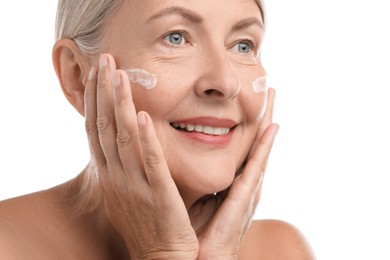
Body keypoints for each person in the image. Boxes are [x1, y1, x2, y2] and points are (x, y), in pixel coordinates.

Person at [0, 0, 315, 259]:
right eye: (175, 37)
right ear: (77, 75)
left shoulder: (281, 249)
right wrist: (163, 252)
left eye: (243, 45)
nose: (225, 82)